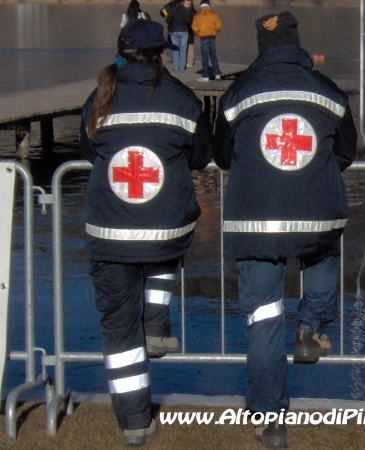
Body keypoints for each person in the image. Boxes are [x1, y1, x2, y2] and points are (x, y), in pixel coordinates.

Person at [212, 11, 356, 449]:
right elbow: (346, 152)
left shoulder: (238, 92)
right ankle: (311, 329)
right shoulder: (329, 92)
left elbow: (221, 155)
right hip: (316, 213)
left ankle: (271, 420)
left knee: (262, 320)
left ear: (261, 47)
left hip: (256, 222)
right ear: (298, 44)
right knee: (323, 249)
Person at [80, 19, 211, 446]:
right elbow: (201, 154)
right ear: (163, 53)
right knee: (167, 247)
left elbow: (89, 149)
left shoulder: (98, 99)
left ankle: (135, 423)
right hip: (165, 229)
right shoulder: (182, 99)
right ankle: (156, 324)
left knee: (118, 332)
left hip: (110, 234)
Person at [191, 0, 222, 81]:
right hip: (212, 37)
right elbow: (219, 26)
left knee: (205, 57)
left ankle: (205, 75)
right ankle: (217, 73)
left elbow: (194, 28)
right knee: (213, 56)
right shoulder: (214, 14)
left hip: (203, 38)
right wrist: (214, 31)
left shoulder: (197, 16)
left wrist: (198, 34)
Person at [164, 0, 193, 71]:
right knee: (183, 49)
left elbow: (167, 21)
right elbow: (188, 20)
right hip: (183, 30)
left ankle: (176, 67)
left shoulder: (171, 9)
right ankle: (182, 67)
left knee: (175, 49)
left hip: (173, 30)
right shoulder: (184, 9)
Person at [186, 0, 197, 68]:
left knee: (189, 46)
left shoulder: (192, 11)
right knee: (188, 46)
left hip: (189, 30)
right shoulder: (193, 11)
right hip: (188, 30)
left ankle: (190, 61)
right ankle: (188, 61)